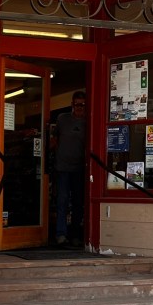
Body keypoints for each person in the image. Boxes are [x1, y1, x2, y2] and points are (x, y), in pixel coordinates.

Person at [52, 90, 87, 246]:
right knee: (62, 201)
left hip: (79, 168)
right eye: (77, 104)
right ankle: (61, 234)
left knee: (78, 202)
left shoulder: (88, 121)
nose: (79, 107)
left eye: (82, 105)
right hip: (62, 167)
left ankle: (75, 235)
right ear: (72, 104)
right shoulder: (62, 118)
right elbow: (54, 139)